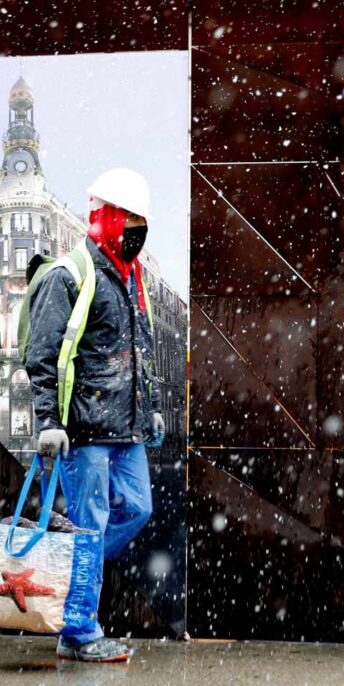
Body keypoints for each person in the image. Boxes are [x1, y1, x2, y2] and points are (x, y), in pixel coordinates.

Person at [25, 168, 165, 662]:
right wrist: (49, 421)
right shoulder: (70, 274)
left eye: (141, 219)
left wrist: (149, 410)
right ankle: (79, 631)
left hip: (126, 429)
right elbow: (41, 354)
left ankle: (68, 568)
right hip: (83, 430)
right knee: (92, 526)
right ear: (104, 216)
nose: (136, 227)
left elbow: (137, 350)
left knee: (136, 509)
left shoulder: (132, 278)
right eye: (129, 217)